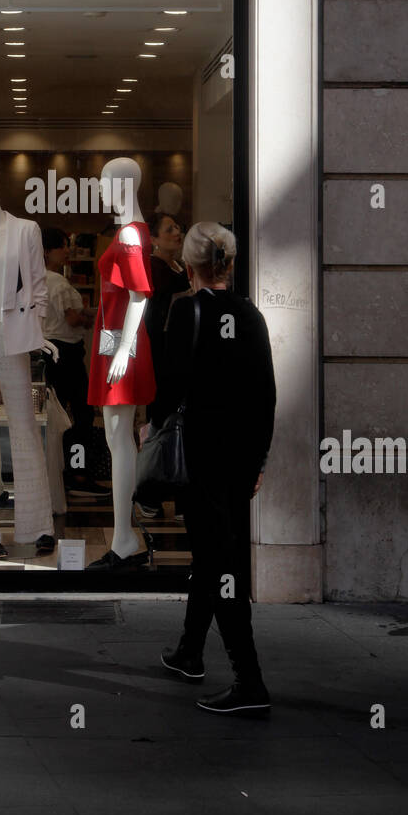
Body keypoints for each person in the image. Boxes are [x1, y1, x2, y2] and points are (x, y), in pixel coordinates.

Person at [150, 222, 276, 715]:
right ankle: (190, 651)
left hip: (201, 455)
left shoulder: (188, 312)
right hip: (240, 457)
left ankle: (249, 679)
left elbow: (171, 384)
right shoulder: (251, 315)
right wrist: (260, 459)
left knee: (220, 564)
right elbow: (266, 395)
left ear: (189, 265)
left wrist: (153, 426)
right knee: (212, 554)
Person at [41, 227, 107, 499]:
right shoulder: (58, 283)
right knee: (81, 413)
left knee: (56, 415)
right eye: (62, 246)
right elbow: (72, 319)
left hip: (45, 352)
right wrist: (90, 318)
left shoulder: (35, 280)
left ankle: (56, 471)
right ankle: (77, 472)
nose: (67, 251)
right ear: (47, 251)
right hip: (66, 353)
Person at [139, 211, 189, 517]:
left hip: (181, 357)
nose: (178, 232)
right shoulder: (156, 269)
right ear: (154, 239)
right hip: (161, 359)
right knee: (159, 426)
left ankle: (180, 491)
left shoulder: (177, 267)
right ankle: (150, 494)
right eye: (170, 229)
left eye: (178, 227)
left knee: (180, 425)